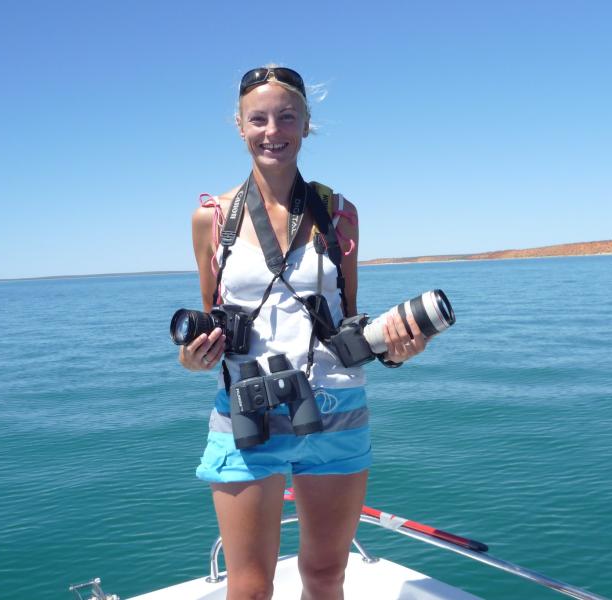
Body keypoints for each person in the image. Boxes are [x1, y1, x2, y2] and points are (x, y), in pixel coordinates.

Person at [179, 66, 429, 600]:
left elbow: (349, 320)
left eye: (287, 117)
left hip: (336, 408)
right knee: (248, 586)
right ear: (241, 128)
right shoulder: (211, 218)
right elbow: (211, 321)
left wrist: (399, 349)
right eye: (259, 119)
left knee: (324, 577)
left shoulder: (340, 213)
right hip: (247, 415)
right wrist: (193, 358)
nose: (273, 130)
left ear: (306, 125)